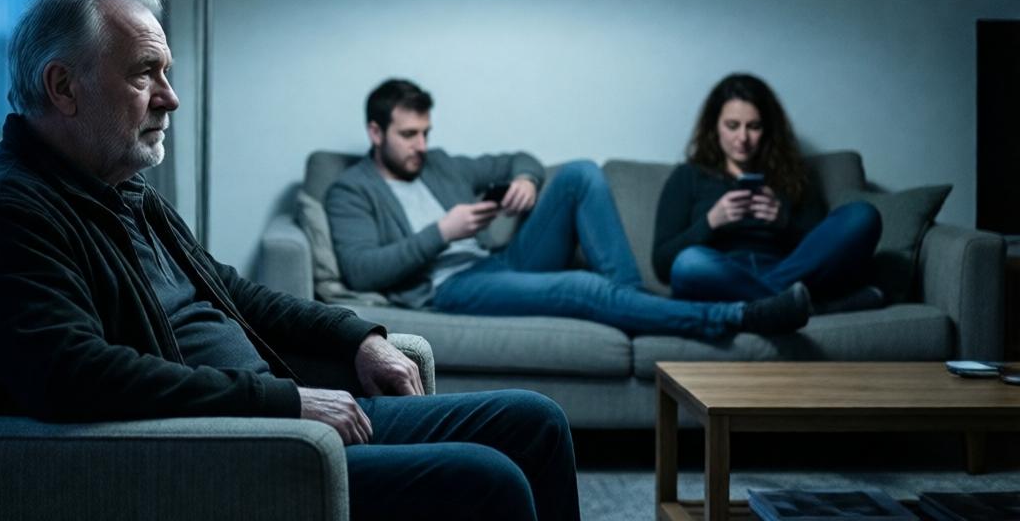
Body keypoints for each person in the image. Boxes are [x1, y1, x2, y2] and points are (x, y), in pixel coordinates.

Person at [0, 0, 580, 521]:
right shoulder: (11, 213)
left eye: (167, 72)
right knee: (487, 480)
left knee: (534, 420)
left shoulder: (121, 190)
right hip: (227, 453)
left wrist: (357, 337)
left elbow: (235, 294)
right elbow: (72, 376)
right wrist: (285, 401)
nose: (171, 97)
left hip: (282, 418)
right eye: (145, 74)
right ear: (63, 87)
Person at [325, 78, 813, 340]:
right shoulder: (349, 191)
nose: (421, 145)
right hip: (449, 288)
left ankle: (633, 305)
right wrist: (443, 231)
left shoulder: (439, 164)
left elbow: (520, 157)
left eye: (426, 132)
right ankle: (733, 316)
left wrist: (526, 180)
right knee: (582, 286)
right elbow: (363, 270)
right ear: (375, 132)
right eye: (409, 135)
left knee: (579, 172)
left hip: (497, 264)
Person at [652, 73, 883, 312]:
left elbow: (820, 248)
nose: (742, 138)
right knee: (690, 263)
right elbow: (662, 264)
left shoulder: (793, 176)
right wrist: (710, 223)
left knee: (862, 215)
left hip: (787, 271)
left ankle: (772, 304)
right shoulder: (688, 176)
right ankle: (804, 306)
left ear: (768, 129)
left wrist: (784, 223)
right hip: (721, 278)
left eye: (753, 127)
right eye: (732, 126)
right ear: (715, 127)